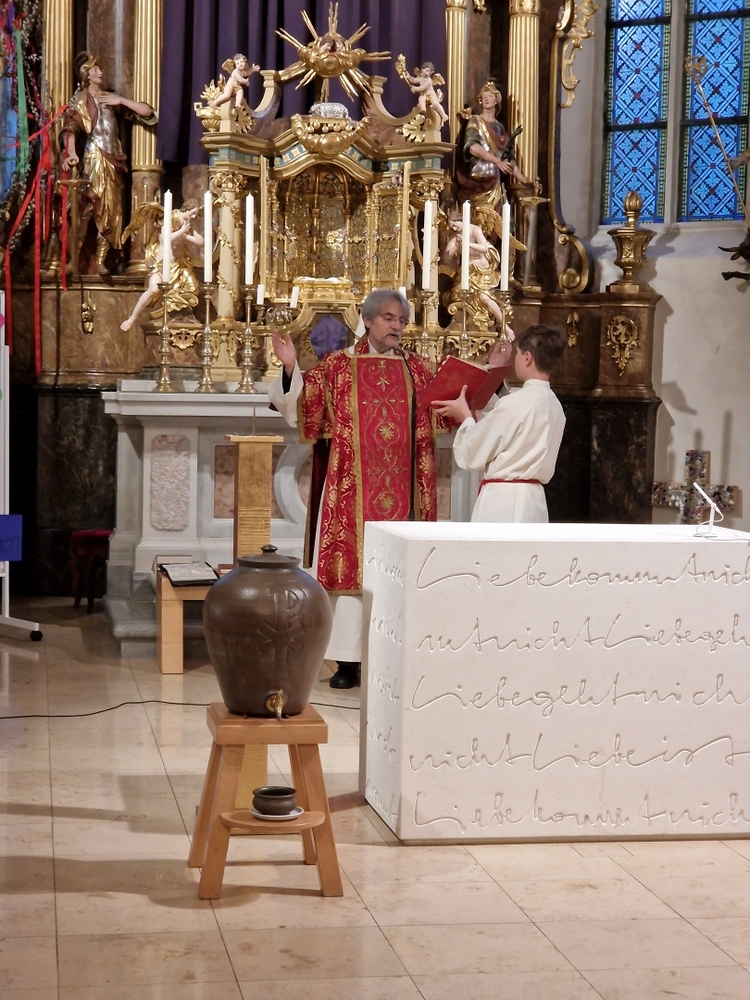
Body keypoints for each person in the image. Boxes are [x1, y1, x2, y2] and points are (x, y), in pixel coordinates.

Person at [269, 289, 442, 689]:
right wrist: (291, 367)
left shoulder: (417, 369)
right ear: (367, 320)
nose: (397, 326)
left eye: (402, 320)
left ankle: (396, 654)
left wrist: (489, 375)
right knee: (351, 571)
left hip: (405, 490)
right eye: (389, 318)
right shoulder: (337, 367)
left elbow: (450, 406)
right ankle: (348, 661)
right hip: (351, 486)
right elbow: (301, 407)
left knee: (397, 571)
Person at [432, 324, 567, 523]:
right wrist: (495, 369)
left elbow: (471, 453)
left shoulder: (516, 403)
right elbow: (513, 429)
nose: (515, 360)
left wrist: (465, 417)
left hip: (504, 501)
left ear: (527, 358)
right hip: (535, 501)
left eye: (517, 354)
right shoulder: (555, 406)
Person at [62, 52, 157, 275]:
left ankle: (101, 259)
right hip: (92, 158)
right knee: (85, 209)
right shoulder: (80, 99)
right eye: (95, 69)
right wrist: (71, 153)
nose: (100, 72)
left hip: (113, 160)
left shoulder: (111, 98)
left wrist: (121, 100)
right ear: (86, 74)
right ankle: (74, 258)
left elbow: (148, 112)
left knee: (110, 211)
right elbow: (70, 129)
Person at [120, 200, 204, 332]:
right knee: (153, 289)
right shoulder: (171, 217)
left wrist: (186, 235)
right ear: (187, 208)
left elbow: (200, 242)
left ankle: (181, 315)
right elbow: (166, 239)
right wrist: (182, 231)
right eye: (193, 213)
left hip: (179, 265)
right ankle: (131, 318)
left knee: (192, 288)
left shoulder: (189, 222)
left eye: (196, 214)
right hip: (162, 264)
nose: (194, 216)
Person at [456, 81, 526, 209]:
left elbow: (508, 160)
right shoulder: (475, 121)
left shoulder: (499, 127)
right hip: (477, 180)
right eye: (483, 97)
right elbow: (472, 147)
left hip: (494, 183)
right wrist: (497, 161)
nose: (486, 99)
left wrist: (523, 180)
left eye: (490, 96)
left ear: (496, 101)